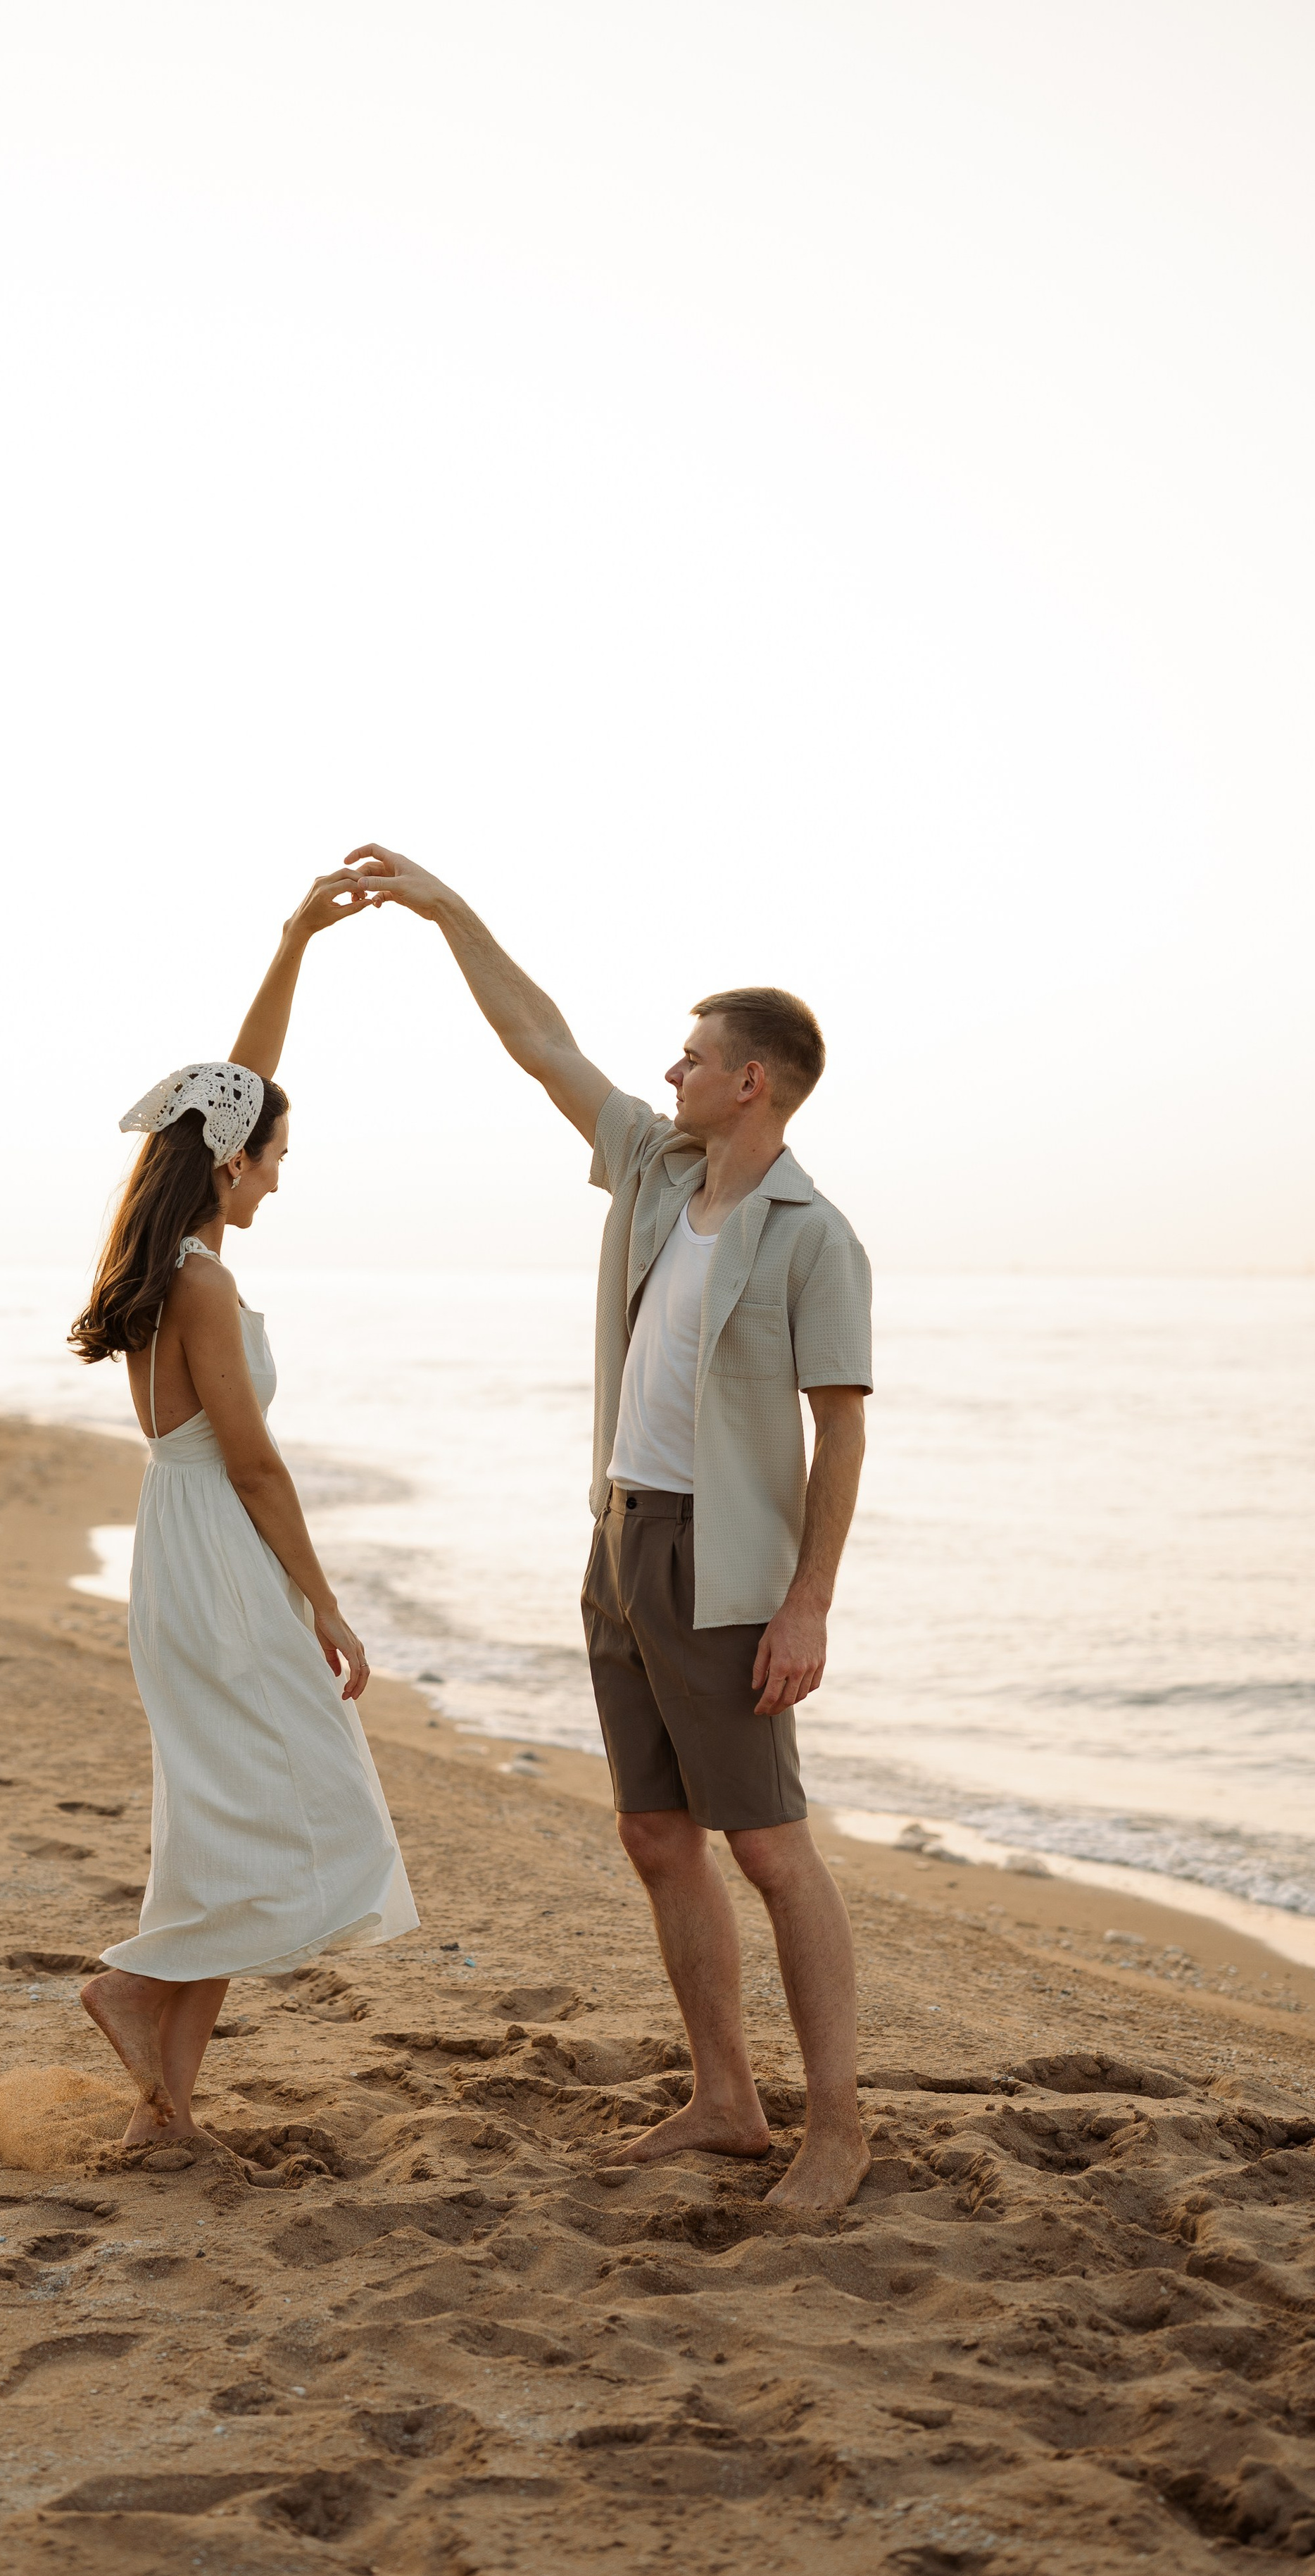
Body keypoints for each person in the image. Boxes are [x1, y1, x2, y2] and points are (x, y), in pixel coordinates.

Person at [344, 842, 872, 2211]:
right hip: (620, 1540)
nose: (670, 1072)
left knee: (767, 1840)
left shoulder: (815, 1237)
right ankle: (724, 2097)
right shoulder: (650, 1169)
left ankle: (838, 2121)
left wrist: (807, 1603)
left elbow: (841, 1432)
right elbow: (539, 1043)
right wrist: (445, 907)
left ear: (748, 1078)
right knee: (653, 1835)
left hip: (729, 1561)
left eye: (692, 1056)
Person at [67, 878, 417, 2146]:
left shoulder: (165, 1263)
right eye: (276, 1158)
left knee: (217, 1819)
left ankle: (168, 2116)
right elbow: (260, 1468)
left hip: (181, 1554)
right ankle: (131, 1985)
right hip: (220, 1558)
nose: (280, 1180)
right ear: (231, 1163)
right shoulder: (202, 1286)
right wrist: (325, 1603)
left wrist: (293, 945)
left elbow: (237, 1085)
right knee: (301, 1800)